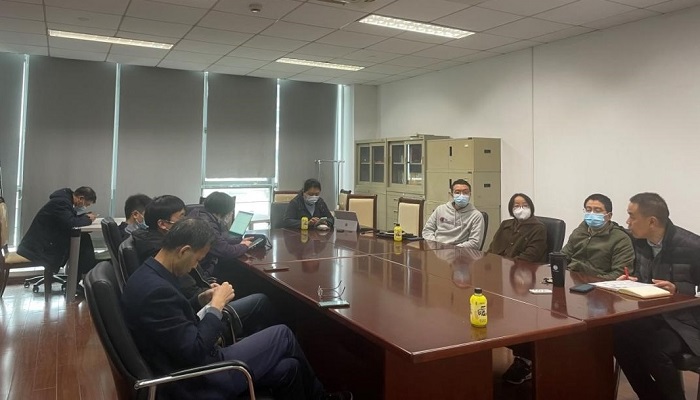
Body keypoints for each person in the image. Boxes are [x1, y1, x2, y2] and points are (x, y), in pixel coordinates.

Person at [121, 218, 352, 400]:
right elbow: (195, 350)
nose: (195, 266)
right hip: (195, 379)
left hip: (188, 366)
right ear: (184, 251)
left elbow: (175, 318)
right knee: (283, 334)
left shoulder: (149, 274)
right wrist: (216, 306)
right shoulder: (156, 291)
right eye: (197, 259)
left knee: (289, 368)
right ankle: (321, 397)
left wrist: (200, 300)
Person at [132, 195, 275, 336]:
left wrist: (202, 296)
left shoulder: (156, 248)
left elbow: (185, 300)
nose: (187, 221)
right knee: (264, 306)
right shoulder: (163, 258)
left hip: (199, 305)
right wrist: (216, 305)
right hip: (205, 326)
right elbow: (195, 345)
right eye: (182, 217)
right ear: (163, 224)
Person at [614, 193, 700, 400]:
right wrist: (632, 282)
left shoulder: (693, 246)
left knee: (654, 347)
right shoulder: (641, 243)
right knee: (615, 335)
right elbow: (648, 281)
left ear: (651, 221)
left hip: (689, 322)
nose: (627, 222)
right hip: (657, 316)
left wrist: (678, 288)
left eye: (632, 216)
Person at [17, 186, 98, 283]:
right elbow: (71, 223)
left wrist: (84, 216)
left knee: (83, 239)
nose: (85, 207)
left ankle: (78, 278)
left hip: (46, 240)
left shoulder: (64, 200)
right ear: (81, 198)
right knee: (82, 242)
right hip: (39, 247)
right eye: (86, 204)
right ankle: (82, 277)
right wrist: (88, 220)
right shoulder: (61, 202)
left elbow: (69, 218)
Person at [561, 193, 634, 280]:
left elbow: (620, 274)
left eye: (597, 211)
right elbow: (563, 257)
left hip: (599, 282)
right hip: (573, 278)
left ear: (609, 216)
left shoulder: (620, 239)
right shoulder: (580, 231)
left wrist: (593, 281)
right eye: (588, 210)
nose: (592, 214)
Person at [422, 179, 485, 249]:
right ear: (451, 194)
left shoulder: (476, 216)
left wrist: (452, 249)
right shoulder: (440, 209)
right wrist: (435, 245)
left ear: (470, 194)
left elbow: (475, 243)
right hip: (437, 249)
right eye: (457, 192)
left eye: (465, 192)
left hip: (460, 252)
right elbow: (427, 231)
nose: (461, 195)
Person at [487, 193, 548, 263]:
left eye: (525, 205)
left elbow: (531, 255)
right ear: (511, 209)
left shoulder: (538, 228)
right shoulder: (505, 224)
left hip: (522, 267)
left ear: (531, 207)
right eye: (517, 206)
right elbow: (492, 248)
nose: (521, 209)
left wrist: (507, 264)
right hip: (499, 264)